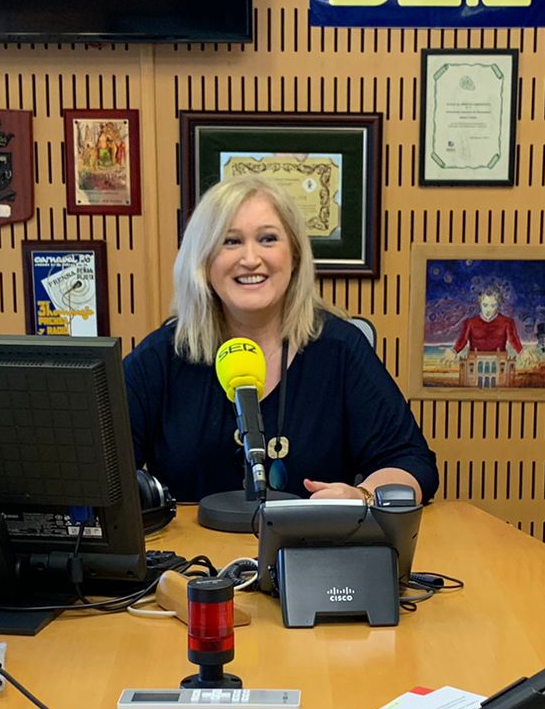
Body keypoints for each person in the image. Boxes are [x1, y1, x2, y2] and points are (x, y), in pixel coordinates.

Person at [125, 175, 437, 505]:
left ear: (296, 255)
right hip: (190, 555)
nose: (250, 258)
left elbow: (412, 463)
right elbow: (103, 471)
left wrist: (362, 496)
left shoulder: (339, 349)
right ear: (202, 261)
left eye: (268, 239)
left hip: (310, 549)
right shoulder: (162, 355)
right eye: (230, 242)